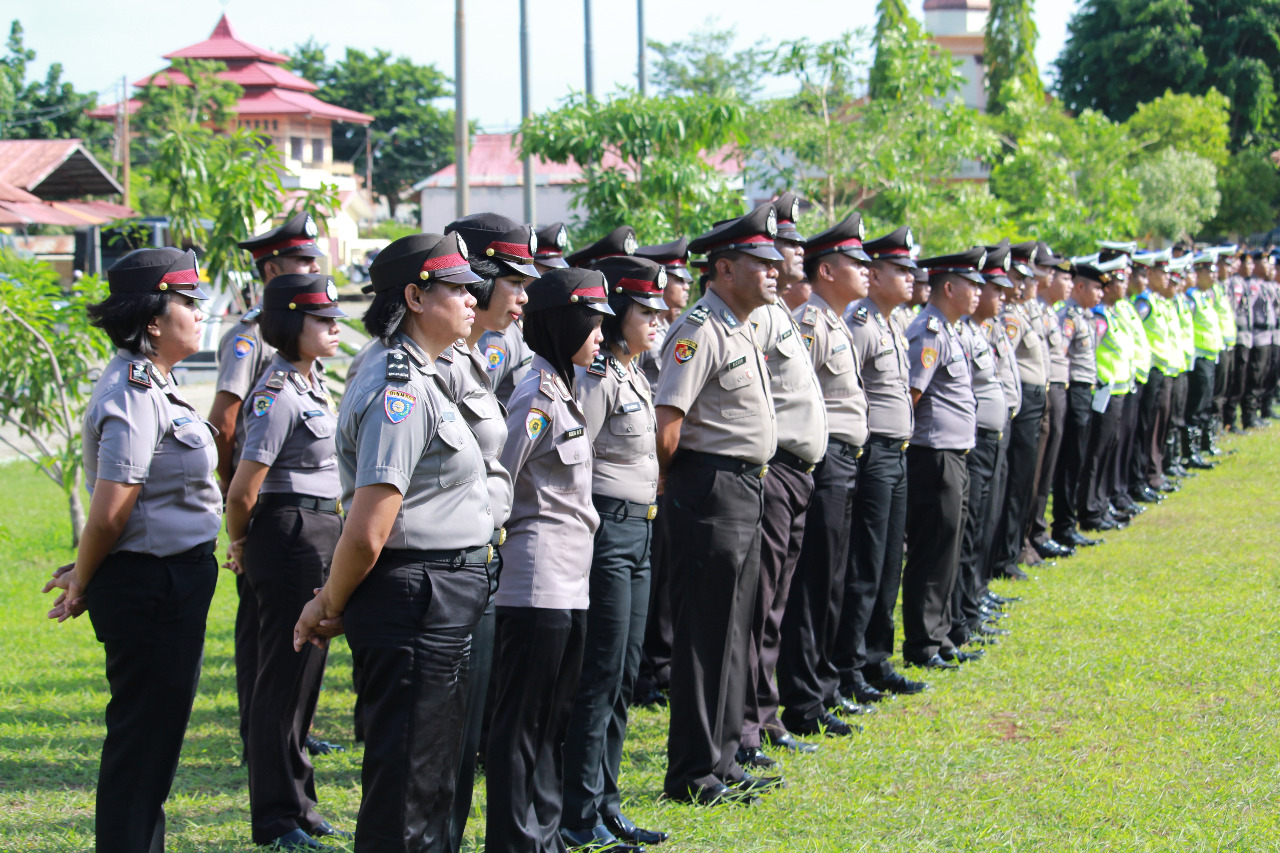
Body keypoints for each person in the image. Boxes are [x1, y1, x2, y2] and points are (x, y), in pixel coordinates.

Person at [293, 233, 492, 852]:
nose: (471, 297)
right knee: (406, 779)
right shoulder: (398, 386)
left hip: (440, 592)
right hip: (415, 595)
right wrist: (329, 602)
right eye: (456, 287)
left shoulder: (428, 375)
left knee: (432, 777)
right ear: (413, 296)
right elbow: (371, 526)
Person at [44, 247, 221, 853]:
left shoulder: (158, 383)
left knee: (154, 744)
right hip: (152, 586)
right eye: (188, 303)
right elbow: (112, 508)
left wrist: (87, 572)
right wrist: (83, 579)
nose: (201, 314)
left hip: (167, 579)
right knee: (142, 746)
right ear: (152, 319)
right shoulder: (133, 391)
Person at [654, 203, 780, 805]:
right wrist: (676, 491)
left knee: (737, 627)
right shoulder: (699, 329)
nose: (776, 271)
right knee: (705, 633)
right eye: (762, 262)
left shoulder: (741, 327)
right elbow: (667, 425)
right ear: (724, 269)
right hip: (707, 488)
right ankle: (692, 772)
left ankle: (725, 757)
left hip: (744, 487)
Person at [485, 268, 609, 851]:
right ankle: (516, 839)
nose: (602, 334)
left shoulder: (564, 386)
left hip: (570, 577)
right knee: (521, 724)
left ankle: (547, 832)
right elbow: (500, 478)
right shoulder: (533, 393)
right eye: (592, 322)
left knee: (553, 720)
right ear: (563, 324)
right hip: (535, 582)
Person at [223, 274, 348, 850]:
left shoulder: (311, 383)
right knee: (280, 681)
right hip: (289, 532)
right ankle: (275, 818)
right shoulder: (275, 392)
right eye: (321, 319)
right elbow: (245, 488)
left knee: (305, 681)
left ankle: (300, 804)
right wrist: (242, 541)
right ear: (291, 325)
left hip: (318, 530)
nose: (334, 326)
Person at [209, 212, 338, 759]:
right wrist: (242, 515)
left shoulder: (309, 353)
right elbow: (227, 422)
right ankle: (261, 736)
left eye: (314, 259)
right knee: (264, 635)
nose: (311, 267)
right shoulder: (252, 336)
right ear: (271, 268)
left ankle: (286, 738)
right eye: (302, 262)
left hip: (296, 508)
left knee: (284, 638)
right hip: (268, 504)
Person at [561, 256, 670, 851]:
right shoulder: (598, 378)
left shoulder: (634, 372)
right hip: (608, 534)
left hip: (640, 534)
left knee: (625, 673)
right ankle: (579, 812)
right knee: (599, 675)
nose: (657, 320)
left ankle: (608, 802)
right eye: (645, 311)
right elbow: (577, 464)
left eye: (659, 310)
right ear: (619, 316)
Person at [436, 228, 528, 853]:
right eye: (512, 283)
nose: (519, 296)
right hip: (438, 561)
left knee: (469, 723)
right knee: (435, 734)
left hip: (483, 547)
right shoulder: (439, 362)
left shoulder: (478, 353)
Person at [740, 195, 832, 756]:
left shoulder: (783, 315)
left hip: (799, 472)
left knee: (776, 604)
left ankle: (766, 713)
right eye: (785, 244)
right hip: (773, 472)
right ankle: (753, 719)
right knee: (761, 604)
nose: (793, 253)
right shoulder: (759, 316)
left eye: (795, 245)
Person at [775, 212, 871, 739]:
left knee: (833, 577)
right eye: (855, 262)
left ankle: (825, 686)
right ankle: (804, 699)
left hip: (845, 458)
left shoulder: (831, 321)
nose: (866, 271)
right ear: (829, 270)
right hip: (826, 457)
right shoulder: (811, 322)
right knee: (814, 583)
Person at [838, 225, 929, 700]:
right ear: (873, 275)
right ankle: (850, 666)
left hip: (897, 454)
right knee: (867, 563)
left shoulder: (891, 323)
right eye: (900, 270)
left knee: (891, 559)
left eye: (911, 270)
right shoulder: (861, 324)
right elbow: (843, 390)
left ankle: (877, 658)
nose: (911, 279)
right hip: (872, 453)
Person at [902, 247, 981, 670]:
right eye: (971, 285)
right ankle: (923, 642)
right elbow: (911, 397)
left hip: (954, 453)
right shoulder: (928, 331)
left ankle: (943, 630)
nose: (977, 293)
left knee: (949, 545)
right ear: (948, 287)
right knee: (931, 547)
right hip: (932, 455)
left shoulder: (949, 330)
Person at [452, 214, 543, 406]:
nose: (524, 296)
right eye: (514, 283)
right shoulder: (441, 359)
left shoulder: (472, 353)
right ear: (478, 279)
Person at [1049, 263, 1105, 550]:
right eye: (1096, 287)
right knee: (1070, 461)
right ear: (1081, 287)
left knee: (1078, 458)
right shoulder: (1068, 317)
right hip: (1074, 392)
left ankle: (1068, 523)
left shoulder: (1085, 316)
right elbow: (1061, 356)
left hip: (1087, 391)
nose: (1100, 293)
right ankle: (1063, 525)